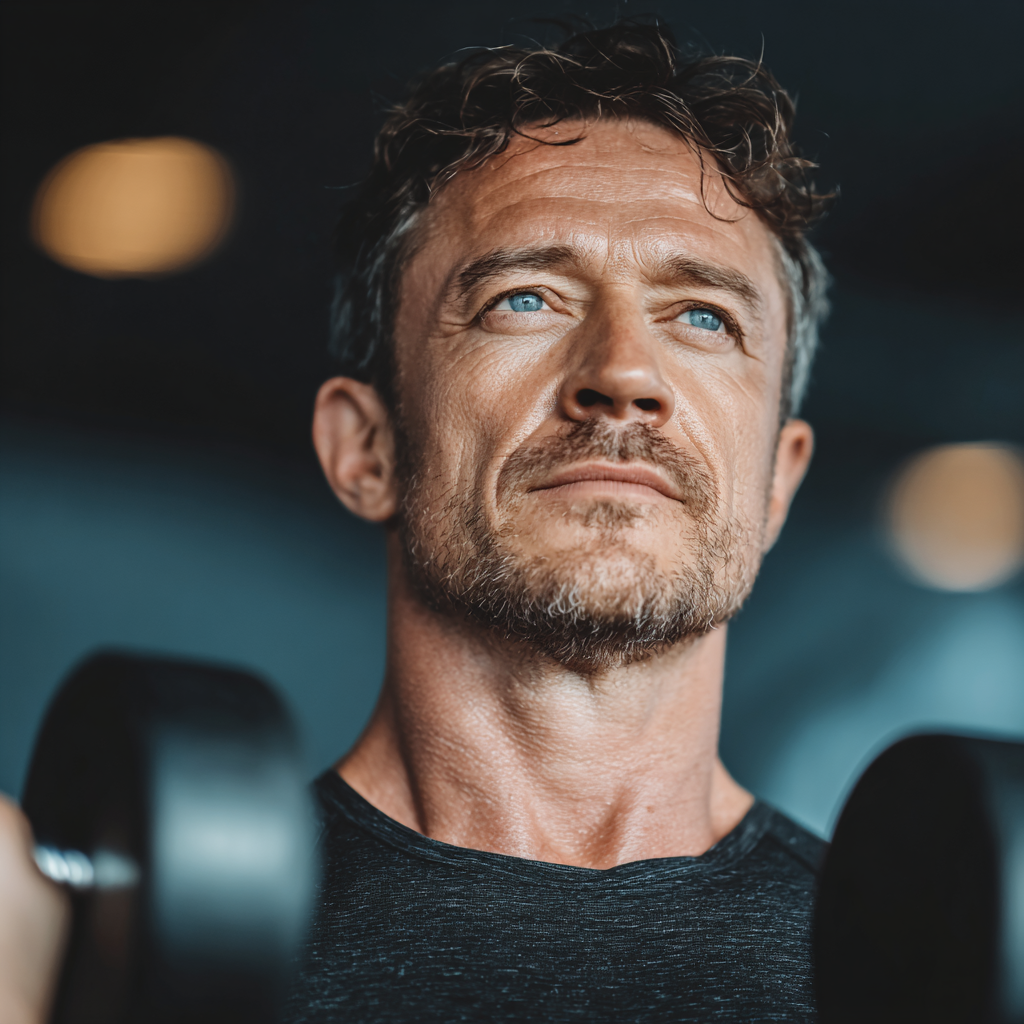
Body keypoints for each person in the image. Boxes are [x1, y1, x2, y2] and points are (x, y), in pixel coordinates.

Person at [0, 20, 832, 1024]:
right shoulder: (95, 956)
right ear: (368, 448)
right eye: (525, 298)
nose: (621, 375)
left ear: (776, 482)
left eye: (705, 317)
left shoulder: (932, 977)